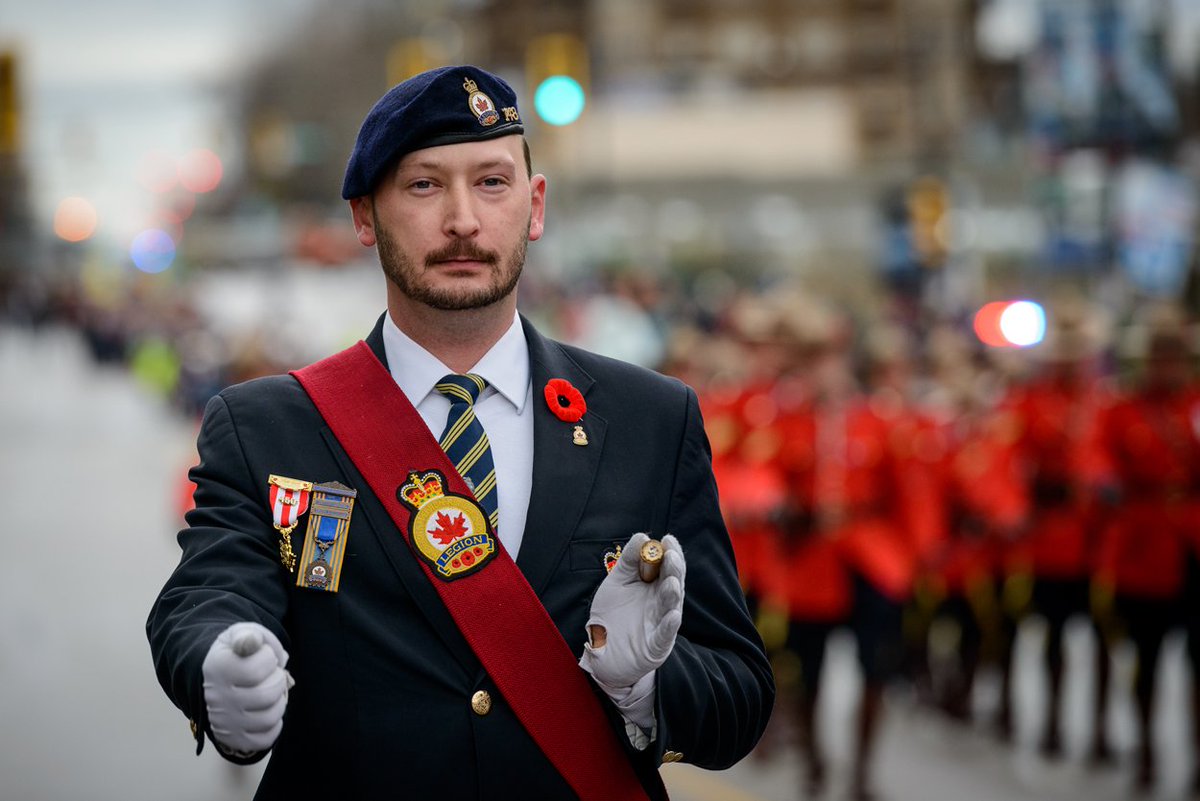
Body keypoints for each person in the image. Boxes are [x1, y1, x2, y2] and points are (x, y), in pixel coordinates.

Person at [146, 65, 774, 801]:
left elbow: (739, 694)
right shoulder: (265, 426)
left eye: (492, 182)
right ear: (362, 216)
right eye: (423, 185)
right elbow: (206, 595)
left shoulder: (650, 419)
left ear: (535, 206)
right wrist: (217, 663)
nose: (463, 220)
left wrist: (645, 684)